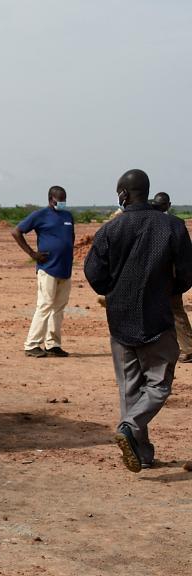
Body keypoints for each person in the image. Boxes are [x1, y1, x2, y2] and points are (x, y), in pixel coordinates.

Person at [85, 170, 192, 473]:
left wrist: (116, 293)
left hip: (120, 322)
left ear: (122, 194)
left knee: (129, 388)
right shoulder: (173, 226)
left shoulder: (110, 230)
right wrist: (169, 291)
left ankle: (141, 453)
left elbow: (94, 273)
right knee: (158, 385)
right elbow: (187, 272)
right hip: (158, 319)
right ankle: (131, 429)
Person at [12, 186, 75, 358]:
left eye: (64, 200)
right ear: (50, 199)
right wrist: (32, 254)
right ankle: (32, 344)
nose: (62, 203)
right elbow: (17, 232)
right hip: (48, 269)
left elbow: (70, 239)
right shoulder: (40, 215)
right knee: (45, 305)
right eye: (59, 200)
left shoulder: (68, 216)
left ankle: (53, 344)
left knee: (59, 308)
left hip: (65, 269)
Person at [152, 192, 192, 362]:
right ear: (168, 205)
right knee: (175, 312)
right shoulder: (177, 223)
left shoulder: (151, 222)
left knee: (169, 312)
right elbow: (185, 254)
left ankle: (187, 348)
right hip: (171, 277)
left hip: (158, 276)